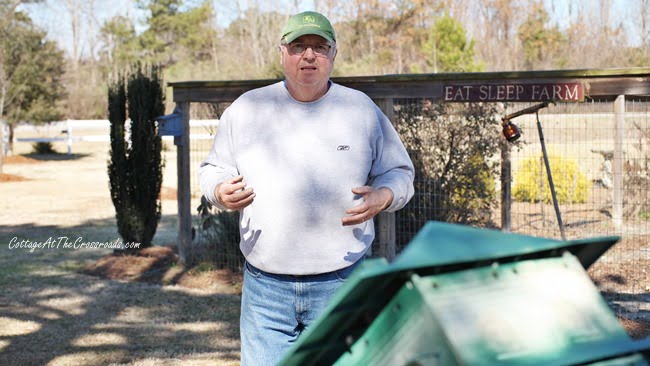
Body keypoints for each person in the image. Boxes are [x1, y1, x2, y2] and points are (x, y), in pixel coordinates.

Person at [199, 10, 414, 365]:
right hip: (265, 289)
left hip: (344, 282)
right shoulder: (248, 108)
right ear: (282, 53)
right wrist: (220, 190)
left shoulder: (360, 109)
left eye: (320, 46)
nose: (309, 55)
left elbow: (399, 172)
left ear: (334, 54)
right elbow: (212, 169)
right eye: (299, 46)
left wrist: (385, 195)